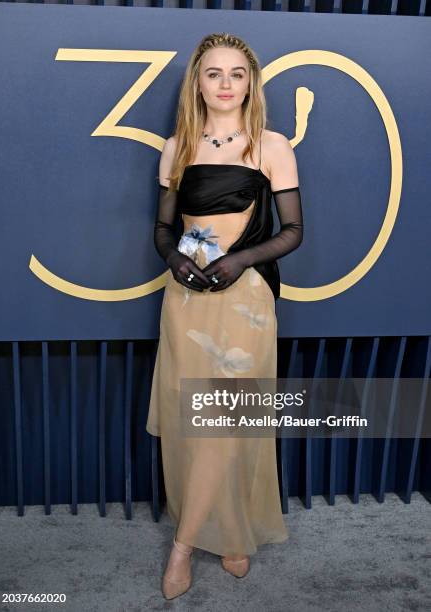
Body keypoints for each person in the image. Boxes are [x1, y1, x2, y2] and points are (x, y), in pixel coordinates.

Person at [146, 32, 303, 600]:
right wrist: (173, 260)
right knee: (195, 422)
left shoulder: (271, 145)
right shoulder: (177, 146)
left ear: (250, 83)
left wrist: (237, 262)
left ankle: (184, 547)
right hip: (186, 300)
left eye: (237, 74)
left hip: (246, 302)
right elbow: (165, 228)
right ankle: (226, 528)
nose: (226, 84)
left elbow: (293, 232)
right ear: (199, 82)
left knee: (227, 421)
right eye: (214, 73)